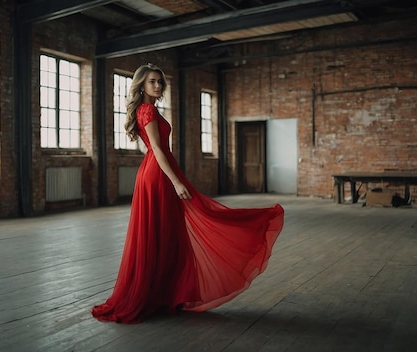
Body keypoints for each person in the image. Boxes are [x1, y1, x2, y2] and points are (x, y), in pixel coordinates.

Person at [91, 63, 284, 324]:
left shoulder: (150, 108)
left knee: (168, 233)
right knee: (163, 232)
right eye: (152, 82)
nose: (158, 86)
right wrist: (175, 182)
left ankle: (164, 294)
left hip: (160, 172)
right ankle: (154, 295)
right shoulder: (146, 109)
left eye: (160, 81)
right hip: (158, 175)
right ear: (141, 85)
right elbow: (157, 149)